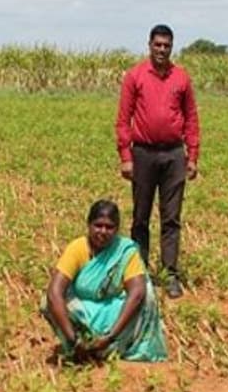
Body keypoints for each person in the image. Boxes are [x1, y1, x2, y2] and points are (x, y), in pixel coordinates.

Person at [115, 24, 200, 299]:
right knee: (140, 217)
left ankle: (170, 274)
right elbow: (123, 119)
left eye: (167, 45)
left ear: (172, 47)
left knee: (171, 218)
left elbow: (191, 118)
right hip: (143, 153)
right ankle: (138, 274)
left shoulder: (181, 78)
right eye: (158, 44)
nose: (162, 49)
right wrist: (126, 157)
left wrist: (193, 155)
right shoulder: (135, 76)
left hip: (174, 154)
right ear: (149, 45)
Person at [42, 200, 168, 362]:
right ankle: (78, 349)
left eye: (109, 227)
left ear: (117, 229)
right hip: (84, 311)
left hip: (114, 312)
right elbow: (55, 291)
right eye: (98, 225)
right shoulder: (78, 248)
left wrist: (110, 336)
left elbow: (137, 293)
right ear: (89, 225)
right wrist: (73, 339)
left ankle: (118, 347)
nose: (103, 231)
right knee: (48, 302)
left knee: (147, 295)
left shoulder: (124, 251)